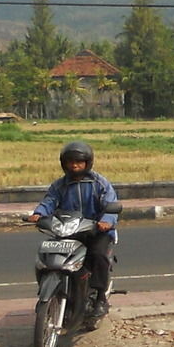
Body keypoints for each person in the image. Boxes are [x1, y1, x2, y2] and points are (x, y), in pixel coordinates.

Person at [28, 140, 118, 326]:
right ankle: (52, 291)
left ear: (88, 163)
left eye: (79, 162)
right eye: (70, 162)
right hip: (69, 231)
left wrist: (106, 222)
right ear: (64, 163)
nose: (74, 165)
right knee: (48, 254)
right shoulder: (60, 185)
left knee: (98, 255)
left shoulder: (99, 183)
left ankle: (100, 298)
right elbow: (49, 201)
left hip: (94, 231)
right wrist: (39, 214)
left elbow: (110, 204)